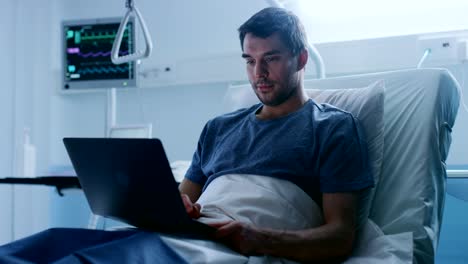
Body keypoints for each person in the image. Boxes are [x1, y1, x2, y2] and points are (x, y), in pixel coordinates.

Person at [179, 7, 374, 263]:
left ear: (302, 59)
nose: (258, 72)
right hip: (194, 239)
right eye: (250, 61)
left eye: (271, 58)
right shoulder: (218, 128)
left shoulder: (333, 128)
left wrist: (259, 239)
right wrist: (178, 208)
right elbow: (182, 201)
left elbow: (340, 236)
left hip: (250, 251)